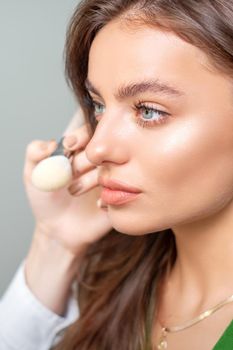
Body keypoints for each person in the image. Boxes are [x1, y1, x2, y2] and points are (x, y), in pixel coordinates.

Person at [1, 0, 233, 349]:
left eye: (149, 111)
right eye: (98, 105)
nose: (97, 149)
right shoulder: (102, 288)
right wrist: (56, 243)